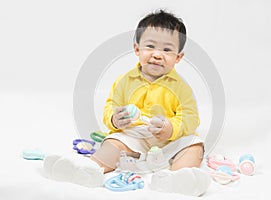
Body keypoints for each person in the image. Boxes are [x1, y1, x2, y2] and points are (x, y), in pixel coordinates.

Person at [43, 9, 211, 196]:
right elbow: (111, 107)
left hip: (169, 139)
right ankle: (88, 170)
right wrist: (115, 120)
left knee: (195, 145)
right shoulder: (124, 81)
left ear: (178, 57)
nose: (157, 55)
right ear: (137, 49)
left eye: (167, 50)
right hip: (135, 136)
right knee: (114, 141)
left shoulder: (181, 87)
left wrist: (170, 128)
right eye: (150, 46)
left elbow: (190, 117)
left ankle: (176, 179)